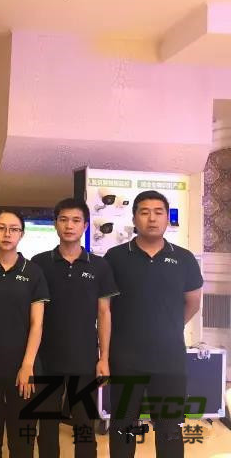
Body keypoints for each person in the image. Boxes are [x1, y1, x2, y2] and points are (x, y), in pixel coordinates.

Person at [104, 190, 203, 458]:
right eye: (145, 212)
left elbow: (193, 302)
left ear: (167, 218)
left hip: (169, 359)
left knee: (170, 428)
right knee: (123, 426)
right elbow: (105, 308)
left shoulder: (183, 258)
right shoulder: (115, 257)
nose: (152, 218)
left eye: (158, 212)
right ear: (134, 218)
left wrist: (169, 327)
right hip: (125, 358)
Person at [31, 198, 118, 458]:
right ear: (55, 224)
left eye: (76, 220)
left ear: (85, 226)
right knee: (47, 427)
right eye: (64, 220)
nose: (69, 226)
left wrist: (104, 358)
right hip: (47, 359)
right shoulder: (39, 263)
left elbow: (104, 313)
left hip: (84, 359)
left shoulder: (99, 265)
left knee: (84, 427)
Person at [0, 209, 49, 458]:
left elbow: (37, 324)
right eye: (1, 228)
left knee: (23, 440)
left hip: (23, 367)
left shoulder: (34, 272)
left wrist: (28, 365)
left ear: (22, 234)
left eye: (14, 229)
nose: (7, 234)